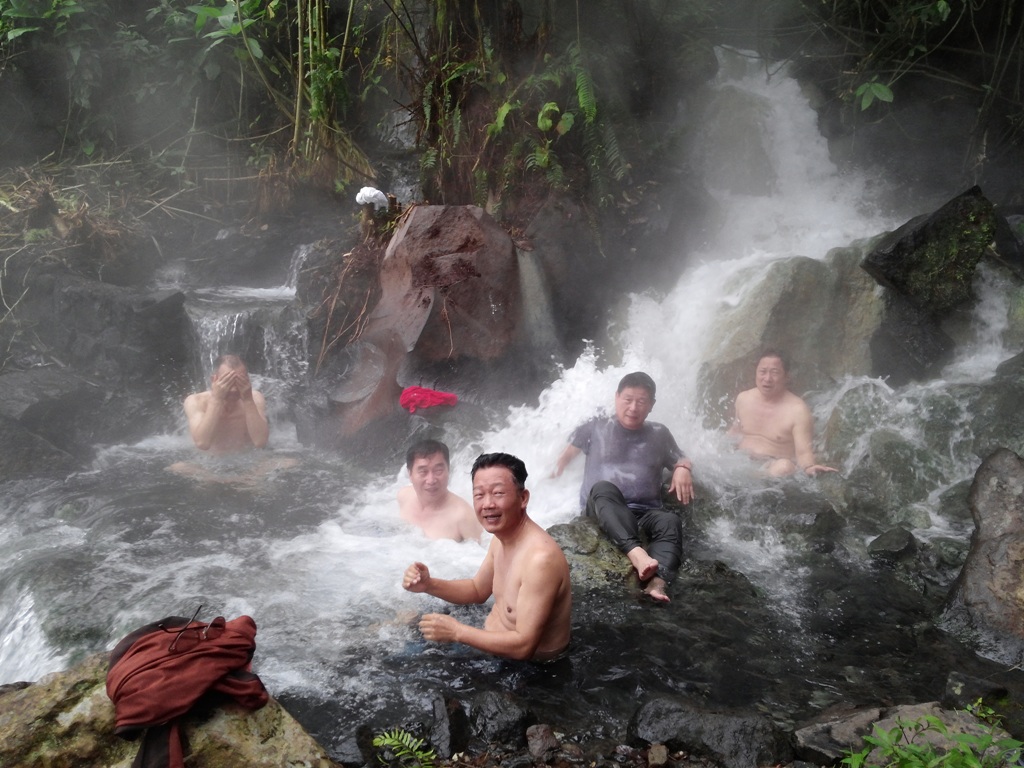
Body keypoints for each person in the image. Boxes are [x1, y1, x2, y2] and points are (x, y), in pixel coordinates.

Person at [402, 452, 571, 661]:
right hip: (491, 647)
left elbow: (524, 646)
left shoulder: (540, 560)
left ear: (523, 498)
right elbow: (477, 590)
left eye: (498, 493)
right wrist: (429, 585)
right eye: (479, 495)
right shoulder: (501, 539)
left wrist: (457, 632)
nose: (487, 504)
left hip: (528, 670)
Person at [552, 372, 693, 603]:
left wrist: (683, 468)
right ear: (616, 397)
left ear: (651, 405)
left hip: (645, 513)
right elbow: (564, 459)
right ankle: (637, 554)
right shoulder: (595, 426)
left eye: (641, 401)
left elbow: (681, 458)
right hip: (602, 511)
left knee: (670, 521)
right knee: (603, 488)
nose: (633, 407)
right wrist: (548, 479)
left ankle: (657, 583)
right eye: (627, 399)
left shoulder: (659, 433)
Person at [730, 349, 837, 477]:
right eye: (762, 372)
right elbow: (735, 432)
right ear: (756, 373)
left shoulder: (798, 410)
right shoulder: (743, 398)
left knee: (785, 467)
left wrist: (810, 467)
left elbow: (803, 452)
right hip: (740, 461)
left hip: (771, 469)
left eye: (774, 373)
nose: (767, 379)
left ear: (786, 376)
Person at [398, 439, 482, 542]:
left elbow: (485, 555)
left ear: (448, 470)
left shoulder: (464, 517)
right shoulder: (404, 496)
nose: (431, 480)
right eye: (423, 472)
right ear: (410, 474)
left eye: (438, 471)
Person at [183, 354, 269, 453]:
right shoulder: (195, 401)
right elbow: (202, 443)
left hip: (249, 463)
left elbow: (260, 442)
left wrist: (248, 400)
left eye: (238, 382)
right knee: (178, 467)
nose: (233, 390)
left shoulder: (255, 398)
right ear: (214, 380)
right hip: (206, 464)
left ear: (247, 381)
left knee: (288, 463)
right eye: (228, 382)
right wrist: (217, 398)